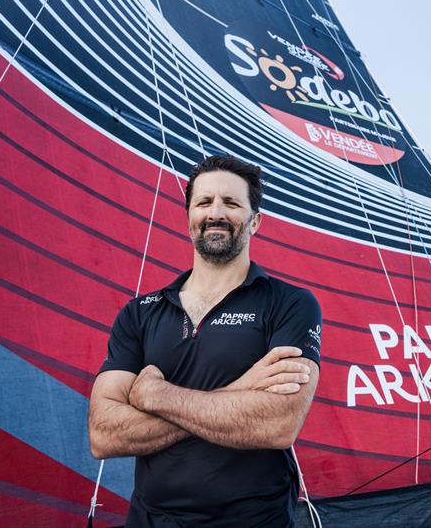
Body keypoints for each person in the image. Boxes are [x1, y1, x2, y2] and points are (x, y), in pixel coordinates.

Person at [88, 155, 321, 527]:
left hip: (255, 520)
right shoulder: (139, 313)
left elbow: (277, 424)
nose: (215, 213)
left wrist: (156, 397)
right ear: (189, 218)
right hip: (150, 520)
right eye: (203, 202)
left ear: (255, 221)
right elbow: (104, 434)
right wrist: (241, 390)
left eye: (231, 203)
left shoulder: (290, 303)